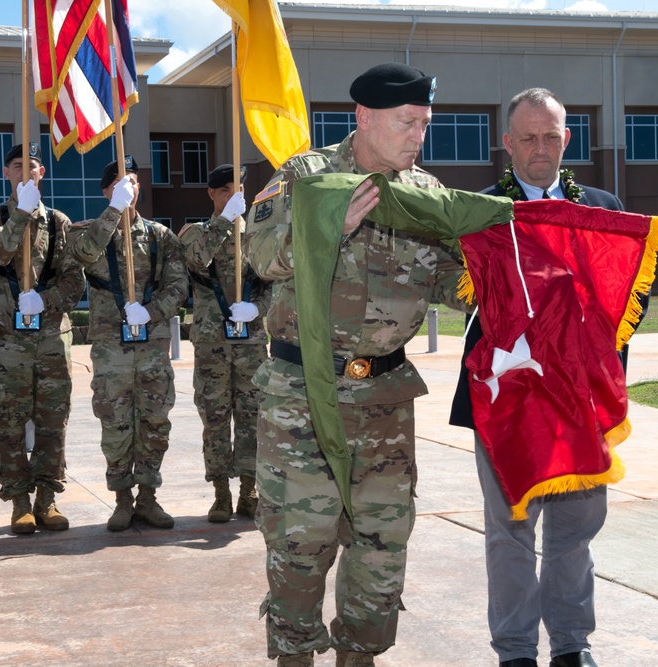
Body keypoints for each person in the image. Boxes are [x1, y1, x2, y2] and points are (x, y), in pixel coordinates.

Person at [244, 63, 469, 667]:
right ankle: (294, 657)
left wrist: (508, 279)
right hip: (302, 398)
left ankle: (360, 657)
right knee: (300, 543)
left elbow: (453, 278)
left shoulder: (427, 193)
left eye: (424, 124)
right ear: (364, 118)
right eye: (407, 123)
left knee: (382, 544)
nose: (417, 136)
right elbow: (260, 253)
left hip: (385, 400)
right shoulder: (304, 176)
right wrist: (327, 225)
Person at [449, 88, 626, 667]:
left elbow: (626, 305)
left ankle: (572, 646)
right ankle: (516, 651)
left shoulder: (602, 210)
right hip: (510, 398)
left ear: (567, 139)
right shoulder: (479, 213)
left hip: (580, 403)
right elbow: (459, 299)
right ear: (507, 143)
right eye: (528, 137)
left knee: (575, 530)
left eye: (551, 136)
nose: (540, 147)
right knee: (511, 530)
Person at [67, 156, 188, 532]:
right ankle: (121, 499)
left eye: (134, 181)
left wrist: (151, 312)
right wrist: (113, 210)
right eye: (121, 182)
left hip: (151, 347)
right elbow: (84, 254)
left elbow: (178, 286)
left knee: (154, 423)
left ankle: (148, 498)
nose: (130, 187)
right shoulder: (86, 230)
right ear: (106, 190)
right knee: (116, 424)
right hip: (111, 351)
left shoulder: (160, 236)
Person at [0, 142, 87, 535]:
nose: (26, 172)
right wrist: (20, 214)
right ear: (6, 173)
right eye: (17, 165)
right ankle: (19, 501)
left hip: (51, 339)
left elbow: (75, 282)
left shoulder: (59, 222)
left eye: (33, 166)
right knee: (8, 422)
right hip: (7, 342)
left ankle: (47, 498)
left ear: (43, 174)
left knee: (53, 422)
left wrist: (46, 298)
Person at [178, 164, 270, 523]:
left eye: (240, 189)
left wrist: (257, 307)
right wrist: (223, 222)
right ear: (212, 194)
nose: (235, 196)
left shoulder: (259, 235)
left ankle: (249, 491)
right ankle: (220, 494)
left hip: (250, 341)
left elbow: (272, 285)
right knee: (215, 417)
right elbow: (196, 259)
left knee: (252, 416)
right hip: (212, 341)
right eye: (225, 190)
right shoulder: (195, 232)